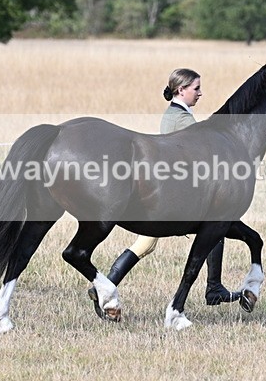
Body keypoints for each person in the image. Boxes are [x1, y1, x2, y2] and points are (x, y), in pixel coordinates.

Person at [90, 69, 240, 315]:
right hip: (175, 190)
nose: (200, 93)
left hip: (169, 185)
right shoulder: (182, 119)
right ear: (181, 90)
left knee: (146, 244)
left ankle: (107, 284)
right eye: (196, 88)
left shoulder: (177, 113)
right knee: (215, 228)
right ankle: (214, 288)